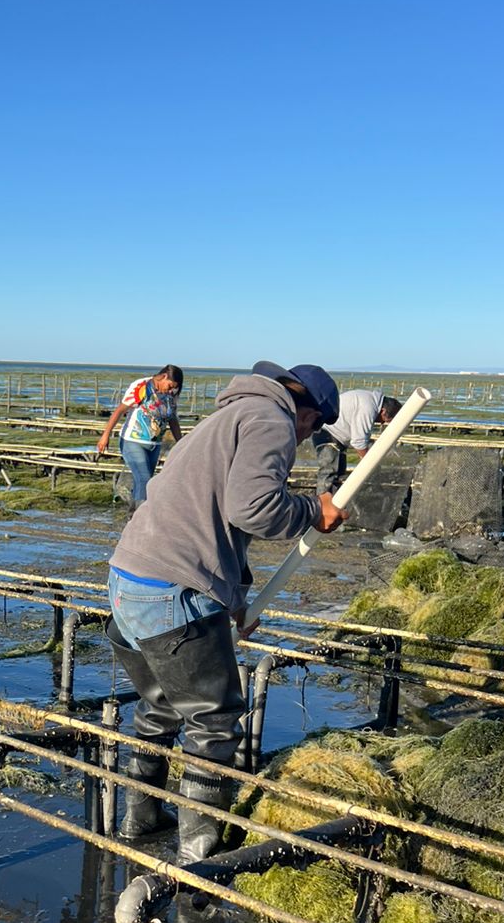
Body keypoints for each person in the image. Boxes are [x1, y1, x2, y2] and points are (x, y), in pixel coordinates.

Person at [107, 360, 346, 863]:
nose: (306, 438)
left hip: (129, 577)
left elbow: (215, 520)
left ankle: (141, 818)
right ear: (308, 412)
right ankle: (200, 856)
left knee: (162, 706)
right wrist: (313, 511)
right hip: (172, 588)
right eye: (314, 427)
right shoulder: (272, 421)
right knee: (215, 722)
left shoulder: (229, 416)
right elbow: (253, 509)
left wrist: (233, 602)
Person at [96, 364, 184, 506]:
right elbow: (119, 411)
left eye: (174, 387)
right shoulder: (142, 386)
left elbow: (173, 419)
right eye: (169, 386)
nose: (170, 390)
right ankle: (143, 518)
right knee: (145, 479)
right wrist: (105, 436)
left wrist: (180, 442)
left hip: (154, 445)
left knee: (142, 481)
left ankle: (133, 516)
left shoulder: (171, 395)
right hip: (132, 441)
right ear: (164, 376)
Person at [308, 387, 401, 494]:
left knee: (338, 475)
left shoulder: (370, 400)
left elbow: (362, 438)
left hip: (335, 435)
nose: (381, 423)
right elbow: (359, 442)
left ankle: (334, 504)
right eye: (385, 420)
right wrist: (368, 463)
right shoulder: (368, 407)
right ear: (383, 411)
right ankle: (323, 506)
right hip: (327, 433)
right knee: (328, 473)